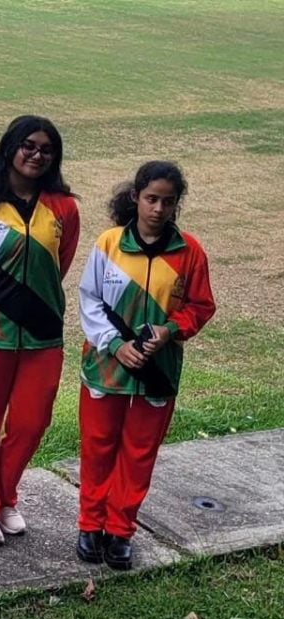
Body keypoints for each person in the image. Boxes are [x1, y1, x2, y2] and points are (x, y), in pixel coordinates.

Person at [76, 161, 215, 570]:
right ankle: (89, 524)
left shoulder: (190, 252)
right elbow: (89, 301)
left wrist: (171, 330)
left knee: (139, 454)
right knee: (98, 448)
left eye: (167, 202)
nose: (158, 209)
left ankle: (120, 530)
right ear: (136, 197)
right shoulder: (109, 243)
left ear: (176, 206)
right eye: (151, 199)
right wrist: (116, 345)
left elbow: (201, 306)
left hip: (158, 373)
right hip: (106, 369)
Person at [0, 116, 80, 545]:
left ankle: (5, 495)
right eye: (29, 145)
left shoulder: (64, 208)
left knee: (32, 421)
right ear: (10, 147)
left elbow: (58, 264)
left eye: (46, 149)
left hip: (43, 331)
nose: (37, 155)